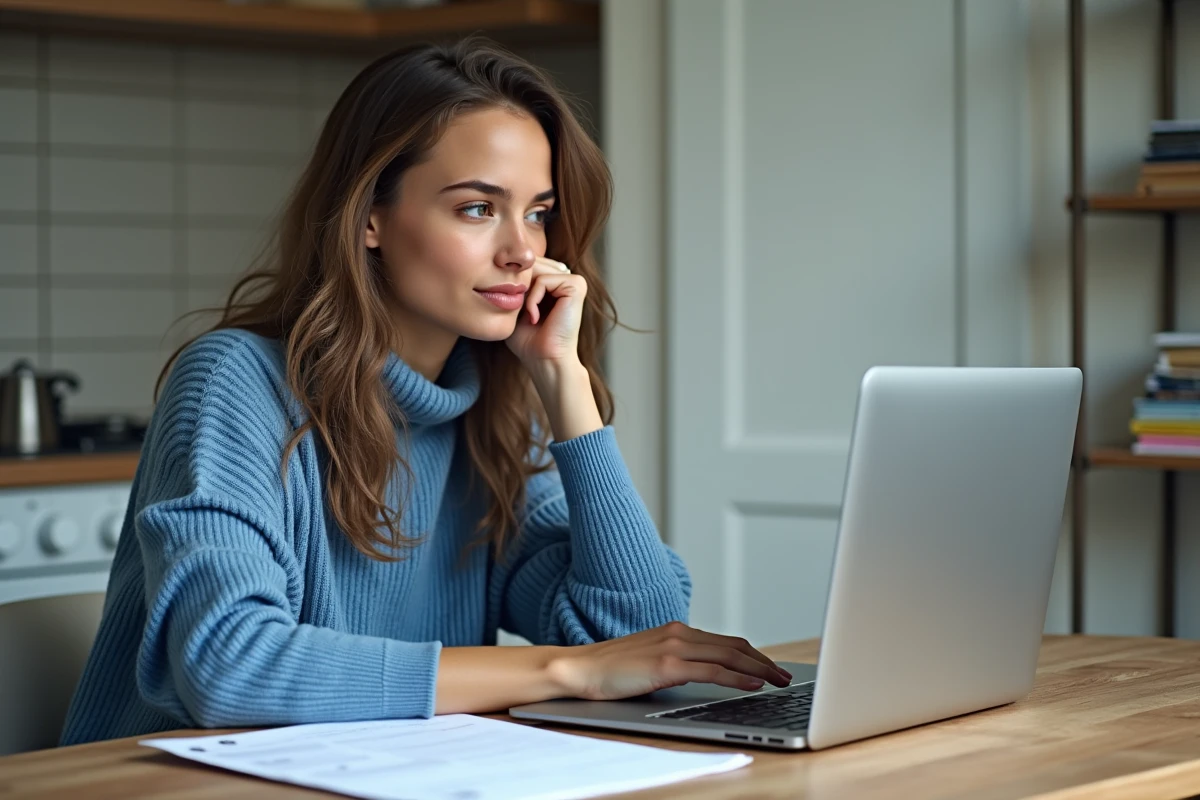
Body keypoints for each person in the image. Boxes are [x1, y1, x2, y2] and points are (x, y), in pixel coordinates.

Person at [60, 37, 790, 746]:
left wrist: (567, 388)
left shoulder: (497, 408)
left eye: (537, 212)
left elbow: (638, 643)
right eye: (477, 208)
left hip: (382, 772)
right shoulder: (236, 381)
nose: (524, 251)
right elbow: (230, 666)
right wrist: (563, 669)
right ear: (370, 217)